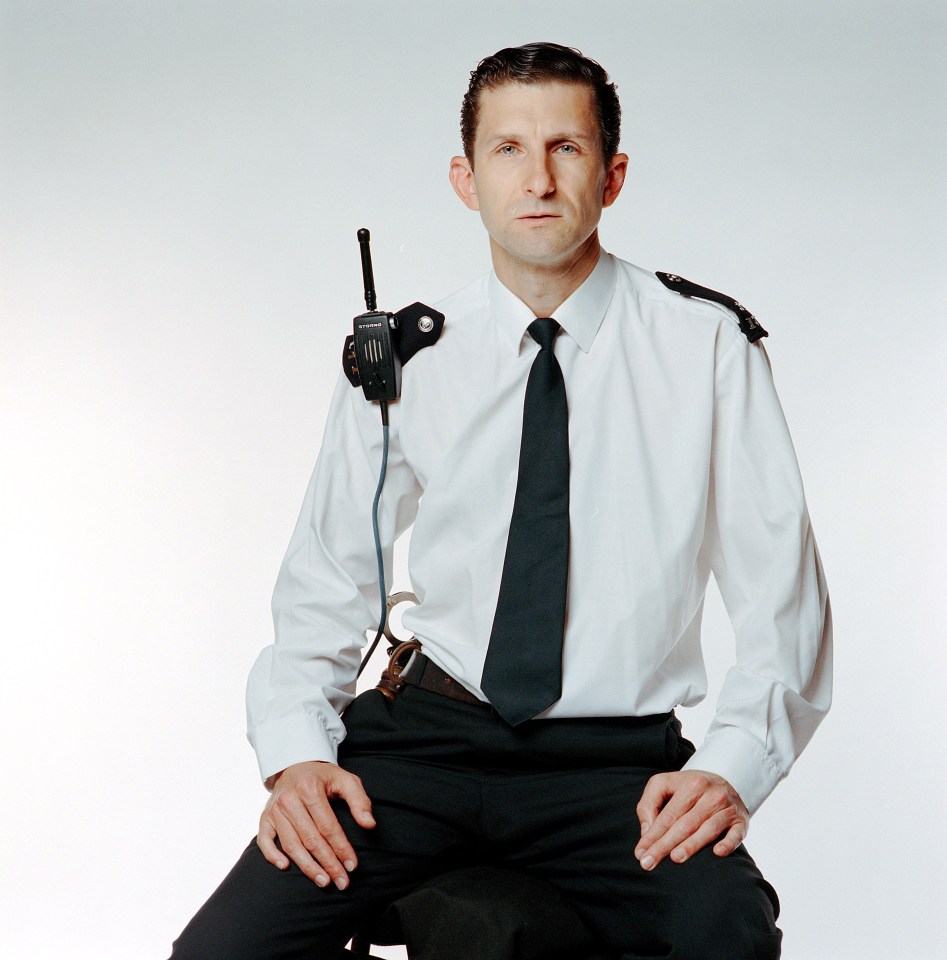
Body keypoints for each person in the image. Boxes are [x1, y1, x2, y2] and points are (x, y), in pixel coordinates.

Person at [170, 42, 832, 960]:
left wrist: (728, 769)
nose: (538, 179)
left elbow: (781, 597)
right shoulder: (406, 358)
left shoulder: (707, 348)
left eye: (565, 148)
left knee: (723, 934)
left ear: (612, 175)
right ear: (465, 177)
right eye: (508, 150)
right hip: (424, 745)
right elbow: (326, 582)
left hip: (611, 767)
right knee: (223, 954)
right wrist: (298, 754)